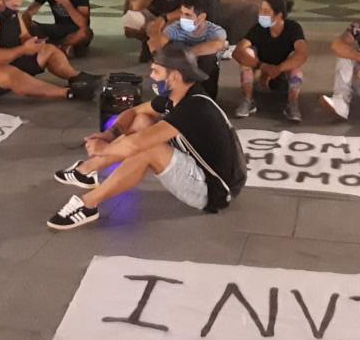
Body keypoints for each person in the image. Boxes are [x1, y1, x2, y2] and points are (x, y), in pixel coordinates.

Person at [47, 45, 244, 230]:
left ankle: (88, 204)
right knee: (143, 120)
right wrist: (110, 134)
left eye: (156, 71)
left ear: (174, 76)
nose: (151, 76)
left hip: (214, 191)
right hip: (197, 163)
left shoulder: (194, 107)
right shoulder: (178, 96)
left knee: (148, 149)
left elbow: (136, 144)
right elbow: (134, 112)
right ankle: (86, 171)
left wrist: (103, 148)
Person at [233, 0, 308, 122]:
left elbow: (302, 54)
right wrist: (262, 66)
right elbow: (237, 52)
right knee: (247, 54)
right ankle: (248, 100)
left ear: (278, 15)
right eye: (260, 10)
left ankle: (292, 104)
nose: (261, 14)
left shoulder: (293, 28)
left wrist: (279, 68)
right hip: (261, 68)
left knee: (296, 66)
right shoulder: (258, 29)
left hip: (284, 69)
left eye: (266, 11)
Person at [148, 0, 227, 98]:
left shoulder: (215, 31)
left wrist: (185, 55)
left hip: (204, 75)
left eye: (188, 15)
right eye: (182, 13)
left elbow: (217, 45)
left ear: (201, 17)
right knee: (167, 54)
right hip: (181, 74)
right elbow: (156, 44)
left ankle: (204, 97)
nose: (182, 18)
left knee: (209, 58)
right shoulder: (175, 28)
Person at [24, 0, 93, 57]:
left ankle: (53, 46)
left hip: (74, 30)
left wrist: (65, 2)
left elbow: (83, 23)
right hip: (57, 28)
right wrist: (27, 23)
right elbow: (29, 12)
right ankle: (62, 48)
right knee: (23, 22)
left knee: (85, 33)